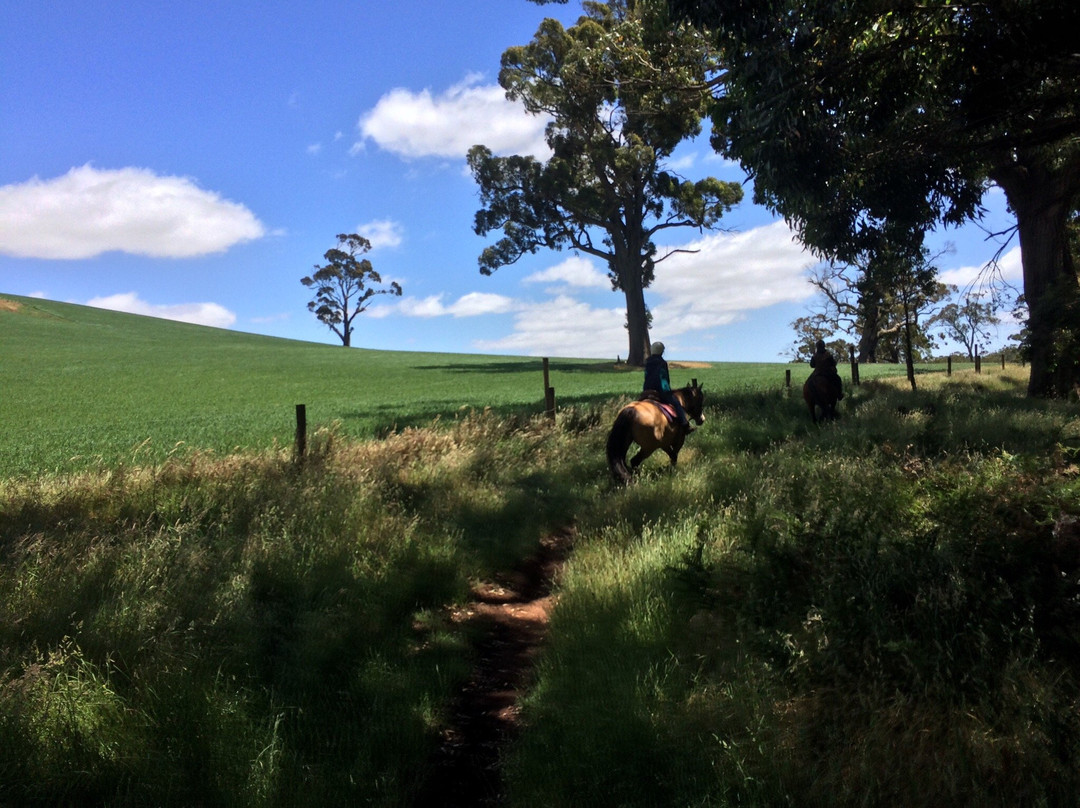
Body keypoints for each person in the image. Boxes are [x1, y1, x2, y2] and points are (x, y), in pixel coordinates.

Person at [642, 341, 693, 432]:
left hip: (647, 390)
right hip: (661, 390)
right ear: (661, 352)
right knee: (677, 404)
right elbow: (664, 378)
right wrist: (668, 389)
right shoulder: (662, 363)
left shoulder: (647, 362)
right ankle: (685, 424)